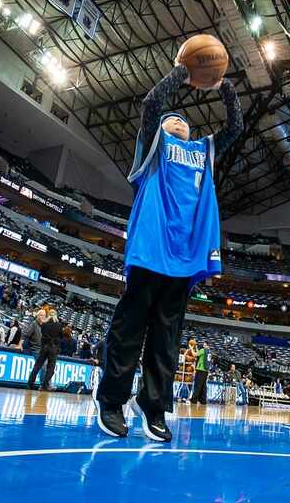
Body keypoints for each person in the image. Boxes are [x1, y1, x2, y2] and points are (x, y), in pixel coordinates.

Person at [93, 54, 242, 442]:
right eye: (171, 119)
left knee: (166, 338)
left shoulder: (202, 153)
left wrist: (224, 86)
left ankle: (153, 407)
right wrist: (184, 73)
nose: (177, 120)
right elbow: (151, 105)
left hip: (185, 255)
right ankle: (111, 400)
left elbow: (236, 127)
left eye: (183, 121)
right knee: (130, 329)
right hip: (150, 247)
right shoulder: (155, 146)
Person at [27, 309, 62, 391]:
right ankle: (44, 385)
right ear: (56, 315)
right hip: (53, 349)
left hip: (44, 348)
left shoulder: (44, 324)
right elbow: (60, 337)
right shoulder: (59, 325)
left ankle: (30, 383)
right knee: (50, 369)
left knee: (37, 366)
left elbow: (43, 335)